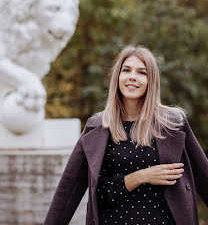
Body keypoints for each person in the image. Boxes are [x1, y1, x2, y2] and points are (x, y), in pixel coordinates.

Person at [43, 45, 208, 225]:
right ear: (118, 77)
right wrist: (141, 176)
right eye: (126, 70)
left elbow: (203, 176)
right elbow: (70, 190)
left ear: (151, 81)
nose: (132, 77)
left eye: (141, 72)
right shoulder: (97, 127)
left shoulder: (173, 123)